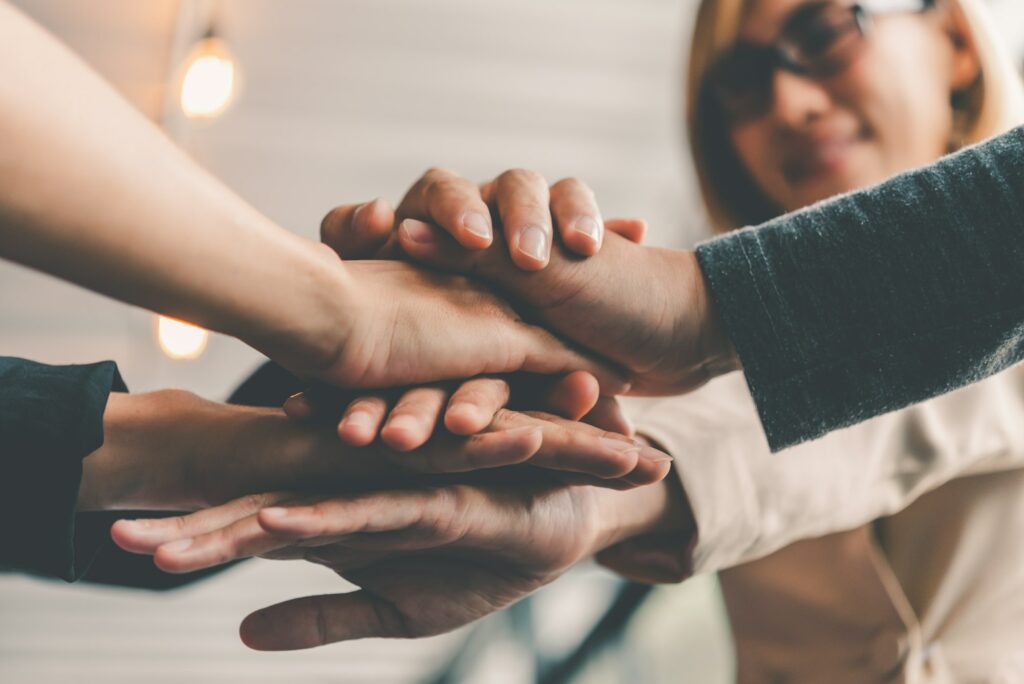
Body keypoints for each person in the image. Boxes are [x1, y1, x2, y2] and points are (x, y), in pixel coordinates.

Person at [120, 0, 1024, 676]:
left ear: (950, 35)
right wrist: (434, 346)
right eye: (740, 87)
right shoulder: (663, 371)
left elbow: (941, 392)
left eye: (824, 30)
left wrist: (612, 481)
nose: (787, 101)